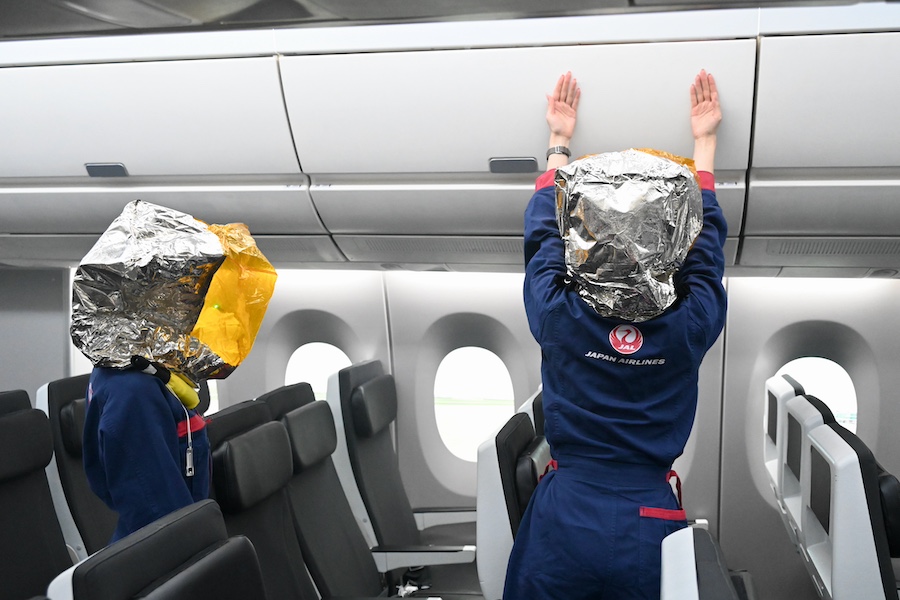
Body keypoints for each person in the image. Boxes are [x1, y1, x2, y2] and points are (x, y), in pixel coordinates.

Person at [503, 70, 727, 599]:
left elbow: (541, 240)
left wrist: (559, 142)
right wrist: (704, 146)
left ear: (585, 248)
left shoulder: (559, 315)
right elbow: (707, 252)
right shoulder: (688, 326)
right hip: (647, 518)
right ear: (670, 252)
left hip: (566, 516)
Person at [75, 200, 276, 543]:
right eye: (183, 290)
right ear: (141, 296)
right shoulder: (132, 391)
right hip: (163, 557)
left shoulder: (150, 370)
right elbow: (160, 517)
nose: (194, 304)